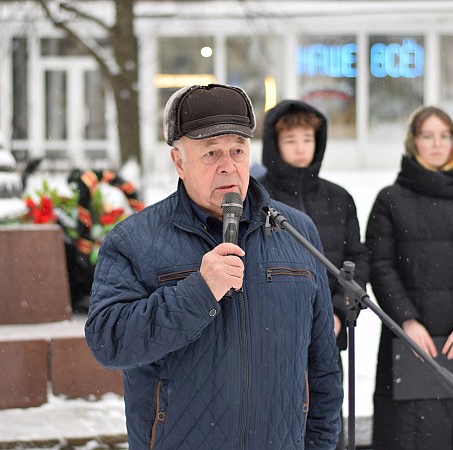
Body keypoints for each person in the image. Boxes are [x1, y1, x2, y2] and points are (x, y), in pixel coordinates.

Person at [85, 83, 343, 449]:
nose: (228, 166)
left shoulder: (296, 231)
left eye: (237, 150)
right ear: (179, 161)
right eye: (210, 153)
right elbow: (108, 341)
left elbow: (323, 368)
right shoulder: (135, 240)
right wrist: (199, 291)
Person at [365, 106, 453, 450]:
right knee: (406, 434)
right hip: (407, 342)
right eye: (428, 136)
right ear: (413, 143)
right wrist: (406, 321)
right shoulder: (390, 201)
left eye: (445, 136)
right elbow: (381, 266)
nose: (437, 143)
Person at [258, 100, 368, 450]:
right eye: (291, 140)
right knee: (272, 425)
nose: (301, 147)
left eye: (307, 138)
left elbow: (356, 260)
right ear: (274, 144)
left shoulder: (339, 198)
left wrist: (338, 312)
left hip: (326, 335)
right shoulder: (256, 196)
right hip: (269, 338)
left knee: (324, 424)